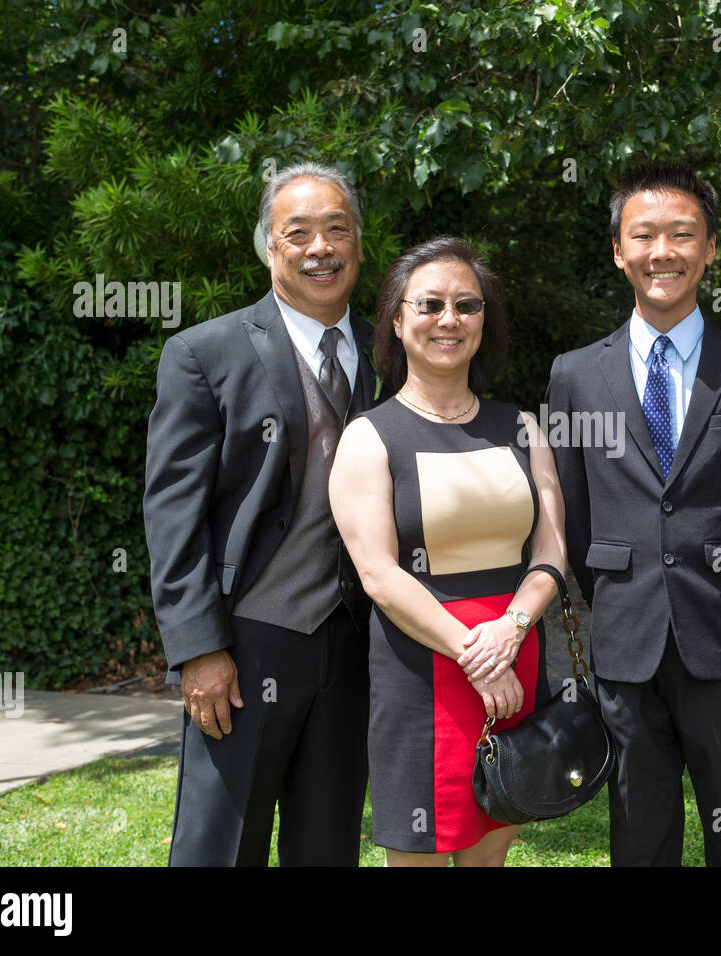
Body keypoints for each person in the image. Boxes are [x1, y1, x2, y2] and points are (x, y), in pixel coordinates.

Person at [545, 161, 721, 866]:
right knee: (640, 831)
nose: (663, 252)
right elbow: (573, 504)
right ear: (618, 250)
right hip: (626, 634)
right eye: (643, 235)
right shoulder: (575, 374)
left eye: (683, 234)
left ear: (710, 249)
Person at [144, 163, 377, 865]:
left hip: (353, 645)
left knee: (327, 845)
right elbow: (173, 512)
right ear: (268, 249)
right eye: (297, 232)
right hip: (243, 646)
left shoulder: (390, 350)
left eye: (337, 229)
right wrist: (197, 648)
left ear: (359, 244)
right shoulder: (202, 354)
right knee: (221, 846)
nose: (320, 247)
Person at [329, 236, 567, 867]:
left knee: (491, 854)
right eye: (430, 304)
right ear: (397, 320)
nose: (449, 319)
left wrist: (511, 632)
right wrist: (476, 655)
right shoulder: (368, 436)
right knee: (422, 853)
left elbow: (550, 551)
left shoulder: (521, 426)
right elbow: (378, 574)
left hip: (516, 656)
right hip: (424, 666)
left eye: (468, 305)